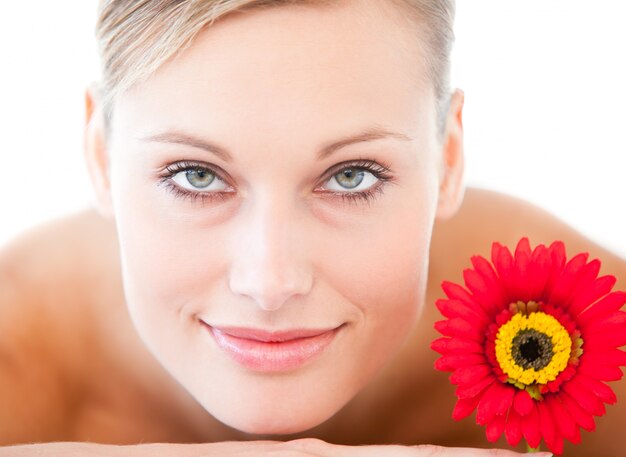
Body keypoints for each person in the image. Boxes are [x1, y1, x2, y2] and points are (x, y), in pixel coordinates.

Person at [0, 0, 624, 455]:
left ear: (449, 158)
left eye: (352, 176)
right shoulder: (16, 359)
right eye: (195, 175)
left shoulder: (592, 328)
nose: (270, 283)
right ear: (101, 157)